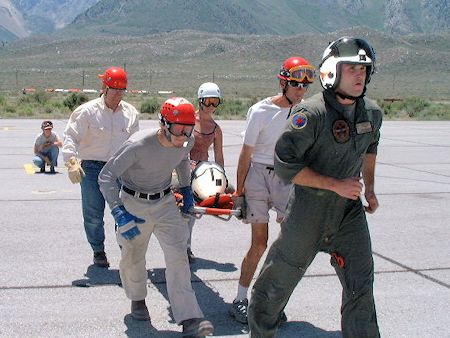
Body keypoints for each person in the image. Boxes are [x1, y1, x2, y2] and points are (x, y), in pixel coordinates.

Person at [248, 37, 382, 338]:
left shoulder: (371, 113)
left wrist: (369, 189)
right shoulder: (310, 115)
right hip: (308, 213)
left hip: (347, 213)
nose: (360, 75)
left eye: (364, 68)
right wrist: (334, 184)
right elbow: (285, 166)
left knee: (361, 285)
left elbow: (371, 146)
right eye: (351, 68)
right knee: (274, 286)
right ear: (332, 71)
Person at [98, 97, 214, 337]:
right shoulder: (137, 145)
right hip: (133, 204)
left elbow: (183, 161)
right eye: (179, 129)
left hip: (165, 203)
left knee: (178, 257)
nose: (184, 135)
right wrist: (119, 212)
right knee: (132, 257)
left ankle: (190, 317)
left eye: (188, 129)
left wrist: (185, 191)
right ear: (164, 124)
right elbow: (106, 177)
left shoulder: (186, 141)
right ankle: (138, 300)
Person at [229, 56, 316, 324]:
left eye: (305, 87)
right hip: (257, 174)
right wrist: (239, 192)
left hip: (286, 176)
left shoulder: (307, 112)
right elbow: (246, 154)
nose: (301, 91)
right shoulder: (260, 111)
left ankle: (270, 301)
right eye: (296, 85)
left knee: (289, 245)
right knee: (259, 244)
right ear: (283, 83)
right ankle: (240, 300)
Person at [62, 66, 140, 268]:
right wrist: (71, 161)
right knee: (93, 213)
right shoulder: (87, 111)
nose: (117, 94)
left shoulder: (130, 113)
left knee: (123, 210)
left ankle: (126, 249)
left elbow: (135, 144)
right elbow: (71, 135)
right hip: (92, 169)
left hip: (119, 168)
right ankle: (98, 251)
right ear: (104, 87)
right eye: (113, 89)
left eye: (121, 90)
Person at [186, 82, 225, 264]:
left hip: (202, 172)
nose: (211, 106)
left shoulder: (216, 129)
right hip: (182, 167)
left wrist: (222, 180)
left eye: (215, 102)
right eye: (208, 101)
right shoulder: (188, 121)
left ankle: (185, 247)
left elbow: (219, 157)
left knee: (192, 212)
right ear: (200, 101)